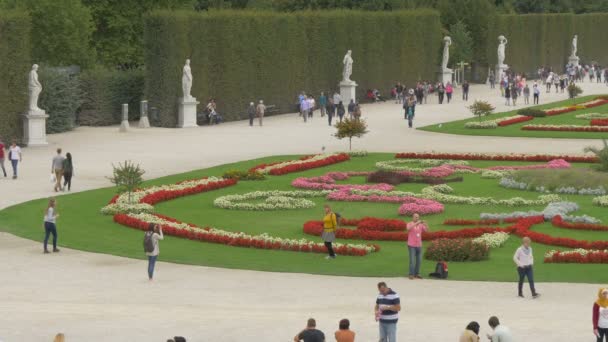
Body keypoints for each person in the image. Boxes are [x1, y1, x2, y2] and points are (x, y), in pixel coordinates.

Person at [406, 213, 427, 279]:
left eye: (418, 217)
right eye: (415, 217)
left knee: (419, 260)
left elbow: (426, 231)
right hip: (411, 245)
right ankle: (411, 274)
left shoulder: (420, 225)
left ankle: (417, 273)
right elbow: (408, 229)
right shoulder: (409, 223)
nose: (417, 218)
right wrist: (416, 223)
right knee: (412, 260)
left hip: (419, 245)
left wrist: (425, 224)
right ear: (413, 217)